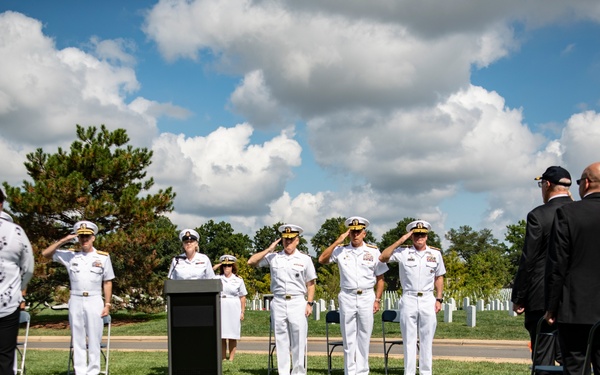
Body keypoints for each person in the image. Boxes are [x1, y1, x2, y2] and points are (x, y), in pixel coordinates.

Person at [511, 166, 572, 369]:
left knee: (543, 358)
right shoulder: (579, 213)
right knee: (571, 357)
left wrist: (519, 296)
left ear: (546, 185)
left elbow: (529, 259)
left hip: (541, 296)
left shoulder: (538, 215)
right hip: (573, 298)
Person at [545, 162, 600, 375]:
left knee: (576, 368)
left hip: (576, 307)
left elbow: (558, 263)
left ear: (585, 183)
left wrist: (551, 305)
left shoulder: (568, 213)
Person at [42, 220, 114, 375]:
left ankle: (93, 371)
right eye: (81, 237)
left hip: (95, 299)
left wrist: (107, 304)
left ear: (93, 237)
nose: (84, 240)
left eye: (87, 236)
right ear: (78, 239)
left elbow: (107, 282)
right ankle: (80, 371)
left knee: (95, 338)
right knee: (78, 338)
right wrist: (63, 240)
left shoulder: (103, 257)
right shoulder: (71, 256)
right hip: (76, 299)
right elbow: (45, 254)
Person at [318, 216, 387, 375]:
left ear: (364, 233)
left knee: (364, 337)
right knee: (348, 338)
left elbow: (381, 278)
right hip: (347, 296)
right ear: (349, 233)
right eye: (352, 231)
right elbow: (322, 259)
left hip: (367, 296)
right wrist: (337, 241)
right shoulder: (341, 250)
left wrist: (377, 299)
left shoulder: (373, 251)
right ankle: (350, 371)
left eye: (358, 231)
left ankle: (362, 371)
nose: (355, 234)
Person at [248, 224, 316, 375]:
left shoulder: (305, 259)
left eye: (291, 240)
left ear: (297, 240)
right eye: (285, 240)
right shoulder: (274, 257)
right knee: (281, 340)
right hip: (278, 301)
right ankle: (283, 372)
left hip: (298, 301)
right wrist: (269, 249)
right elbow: (251, 262)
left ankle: (298, 372)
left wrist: (309, 303)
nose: (288, 243)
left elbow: (311, 284)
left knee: (299, 340)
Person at [379, 220, 445, 375]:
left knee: (426, 340)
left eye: (422, 234)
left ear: (427, 236)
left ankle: (425, 372)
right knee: (408, 340)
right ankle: (409, 372)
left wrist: (439, 298)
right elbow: (383, 257)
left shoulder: (435, 254)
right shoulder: (403, 252)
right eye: (416, 235)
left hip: (428, 298)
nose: (419, 237)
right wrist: (402, 239)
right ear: (411, 236)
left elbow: (439, 277)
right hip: (409, 298)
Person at [0, 188, 34, 375]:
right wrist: (19, 291)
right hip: (7, 304)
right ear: (2, 203)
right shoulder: (16, 231)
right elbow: (28, 268)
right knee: (6, 357)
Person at [213, 254, 247, 361]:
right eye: (224, 265)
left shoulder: (238, 279)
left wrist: (242, 312)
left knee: (232, 334)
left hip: (233, 306)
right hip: (221, 305)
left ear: (233, 267)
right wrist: (217, 265)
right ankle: (223, 357)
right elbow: (207, 275)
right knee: (222, 335)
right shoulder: (218, 278)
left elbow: (242, 296)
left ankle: (231, 358)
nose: (226, 268)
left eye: (229, 265)